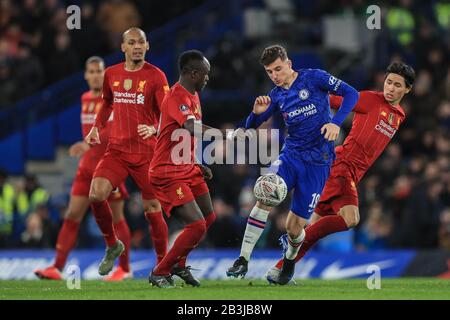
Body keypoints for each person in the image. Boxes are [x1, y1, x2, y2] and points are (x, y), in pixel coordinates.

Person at [267, 62, 416, 283]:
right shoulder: (370, 99)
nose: (391, 88)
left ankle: (280, 270)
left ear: (407, 90)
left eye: (397, 85)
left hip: (349, 172)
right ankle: (286, 259)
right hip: (342, 166)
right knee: (350, 219)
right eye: (388, 82)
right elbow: (334, 99)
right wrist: (306, 95)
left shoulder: (399, 114)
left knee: (308, 229)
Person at [226, 45, 359, 284]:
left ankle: (289, 260)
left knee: (295, 228)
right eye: (269, 72)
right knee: (265, 194)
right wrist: (255, 114)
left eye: (278, 68)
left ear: (289, 63)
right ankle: (243, 259)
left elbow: (352, 94)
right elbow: (251, 126)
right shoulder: (275, 96)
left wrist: (337, 122)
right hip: (291, 156)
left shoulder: (314, 77)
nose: (275, 75)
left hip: (319, 162)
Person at [34, 56, 132, 281]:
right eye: (92, 71)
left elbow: (113, 132)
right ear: (86, 75)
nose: (96, 75)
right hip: (86, 168)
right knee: (72, 215)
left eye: (100, 71)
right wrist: (86, 146)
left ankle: (124, 269)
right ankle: (57, 267)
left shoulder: (115, 99)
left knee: (117, 219)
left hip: (109, 168)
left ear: (105, 74)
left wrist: (87, 143)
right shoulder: (84, 98)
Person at [84, 28, 169, 277]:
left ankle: (163, 265)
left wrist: (154, 127)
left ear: (147, 46)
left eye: (141, 42)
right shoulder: (111, 74)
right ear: (123, 47)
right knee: (96, 194)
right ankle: (112, 245)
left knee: (153, 209)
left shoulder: (156, 76)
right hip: (118, 151)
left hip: (146, 153)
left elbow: (167, 112)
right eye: (131, 43)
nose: (137, 47)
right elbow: (107, 103)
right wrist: (95, 128)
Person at [148, 50, 221, 288]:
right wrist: (225, 135)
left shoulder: (193, 94)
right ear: (193, 74)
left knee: (208, 217)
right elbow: (190, 127)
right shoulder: (175, 97)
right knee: (196, 225)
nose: (208, 78)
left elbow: (180, 137)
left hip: (187, 167)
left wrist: (196, 162)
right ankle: (160, 271)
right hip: (167, 173)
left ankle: (179, 264)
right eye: (206, 74)